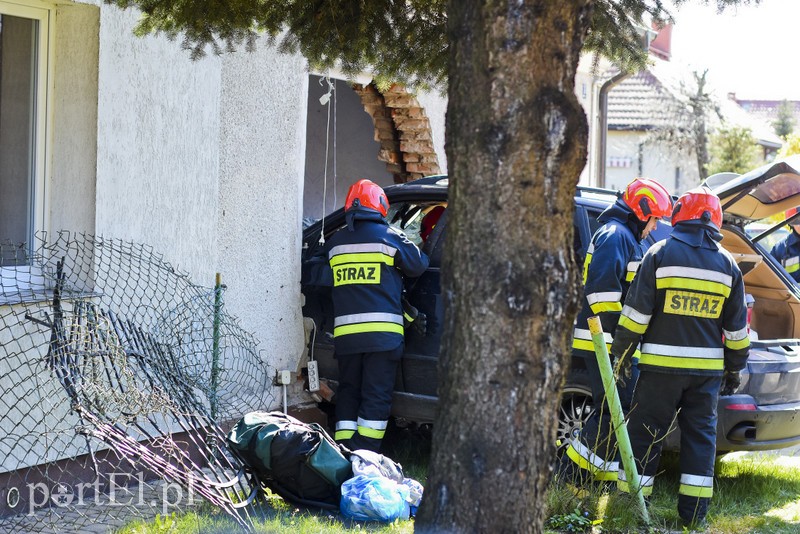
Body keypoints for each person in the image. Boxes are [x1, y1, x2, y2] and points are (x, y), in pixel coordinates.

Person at [611, 186, 750, 528]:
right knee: (701, 442)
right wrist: (734, 370)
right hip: (706, 376)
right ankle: (694, 518)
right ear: (713, 220)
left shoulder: (658, 253)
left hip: (660, 370)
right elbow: (736, 331)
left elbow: (635, 317)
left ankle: (633, 507)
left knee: (645, 433)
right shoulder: (728, 265)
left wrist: (622, 356)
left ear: (679, 216)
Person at [564, 178, 673, 484]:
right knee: (614, 409)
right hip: (604, 342)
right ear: (642, 212)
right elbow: (601, 294)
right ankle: (570, 476)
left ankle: (596, 479)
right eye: (654, 221)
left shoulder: (624, 235)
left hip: (612, 342)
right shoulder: (616, 236)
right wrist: (622, 337)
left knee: (618, 410)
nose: (654, 228)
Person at [323, 179, 429, 452]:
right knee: (375, 395)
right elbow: (418, 265)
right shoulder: (389, 238)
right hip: (382, 337)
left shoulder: (335, 243)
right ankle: (365, 453)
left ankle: (344, 450)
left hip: (347, 339)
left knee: (348, 391)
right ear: (380, 205)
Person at [770, 207, 800, 283]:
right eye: (797, 221)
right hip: (791, 295)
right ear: (791, 223)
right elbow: (770, 277)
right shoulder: (780, 248)